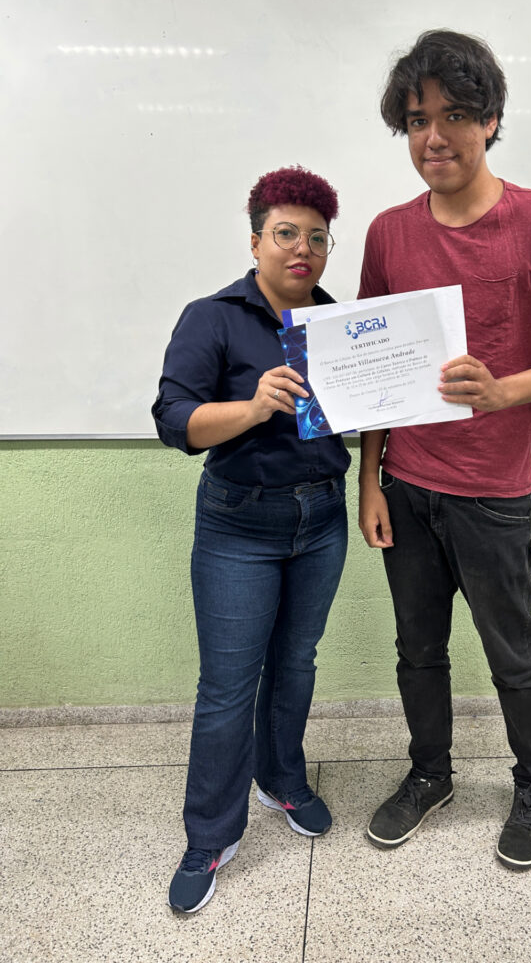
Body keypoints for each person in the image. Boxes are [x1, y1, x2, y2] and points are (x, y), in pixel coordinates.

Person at [357, 31, 531, 870]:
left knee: (512, 653)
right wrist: (370, 481)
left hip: (495, 492)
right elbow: (371, 375)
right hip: (408, 487)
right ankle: (430, 775)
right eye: (417, 120)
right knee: (417, 651)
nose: (435, 137)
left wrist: (505, 391)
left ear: (491, 119)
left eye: (455, 115)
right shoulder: (389, 233)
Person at [152, 165, 350, 913]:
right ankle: (209, 834)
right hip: (239, 523)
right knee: (228, 685)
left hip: (321, 518)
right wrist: (255, 404)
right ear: (256, 241)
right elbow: (175, 421)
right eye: (287, 233)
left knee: (295, 663)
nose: (303, 249)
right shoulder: (213, 317)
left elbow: (367, 413)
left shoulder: (339, 323)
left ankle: (283, 780)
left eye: (318, 238)